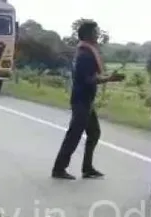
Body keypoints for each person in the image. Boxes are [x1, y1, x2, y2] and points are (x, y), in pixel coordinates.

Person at [51, 21, 124, 180]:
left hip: (85, 99)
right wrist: (108, 79)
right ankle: (59, 168)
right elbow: (88, 79)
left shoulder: (85, 51)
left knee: (93, 133)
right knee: (75, 134)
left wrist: (107, 78)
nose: (98, 35)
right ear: (88, 34)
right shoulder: (85, 54)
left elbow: (90, 77)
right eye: (95, 32)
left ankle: (87, 167)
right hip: (81, 100)